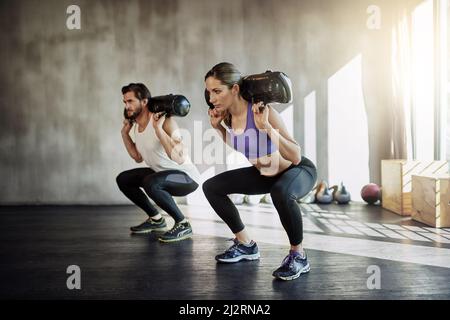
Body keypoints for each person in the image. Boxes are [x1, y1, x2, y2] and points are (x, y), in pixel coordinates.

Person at [202, 63, 317, 281]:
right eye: (209, 92)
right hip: (266, 175)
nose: (211, 98)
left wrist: (266, 127)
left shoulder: (263, 111)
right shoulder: (228, 117)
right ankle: (246, 244)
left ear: (234, 89)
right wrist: (218, 127)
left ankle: (298, 255)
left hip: (296, 170)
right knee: (211, 187)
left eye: (217, 91)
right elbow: (244, 146)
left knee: (281, 193)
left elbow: (295, 155)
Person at [116, 83, 200, 242]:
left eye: (130, 101)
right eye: (125, 102)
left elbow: (179, 158)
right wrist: (124, 133)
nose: (127, 106)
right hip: (160, 175)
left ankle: (183, 224)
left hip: (187, 178)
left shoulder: (166, 122)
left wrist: (158, 130)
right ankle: (156, 219)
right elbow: (137, 157)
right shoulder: (136, 126)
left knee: (151, 182)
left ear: (144, 102)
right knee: (124, 179)